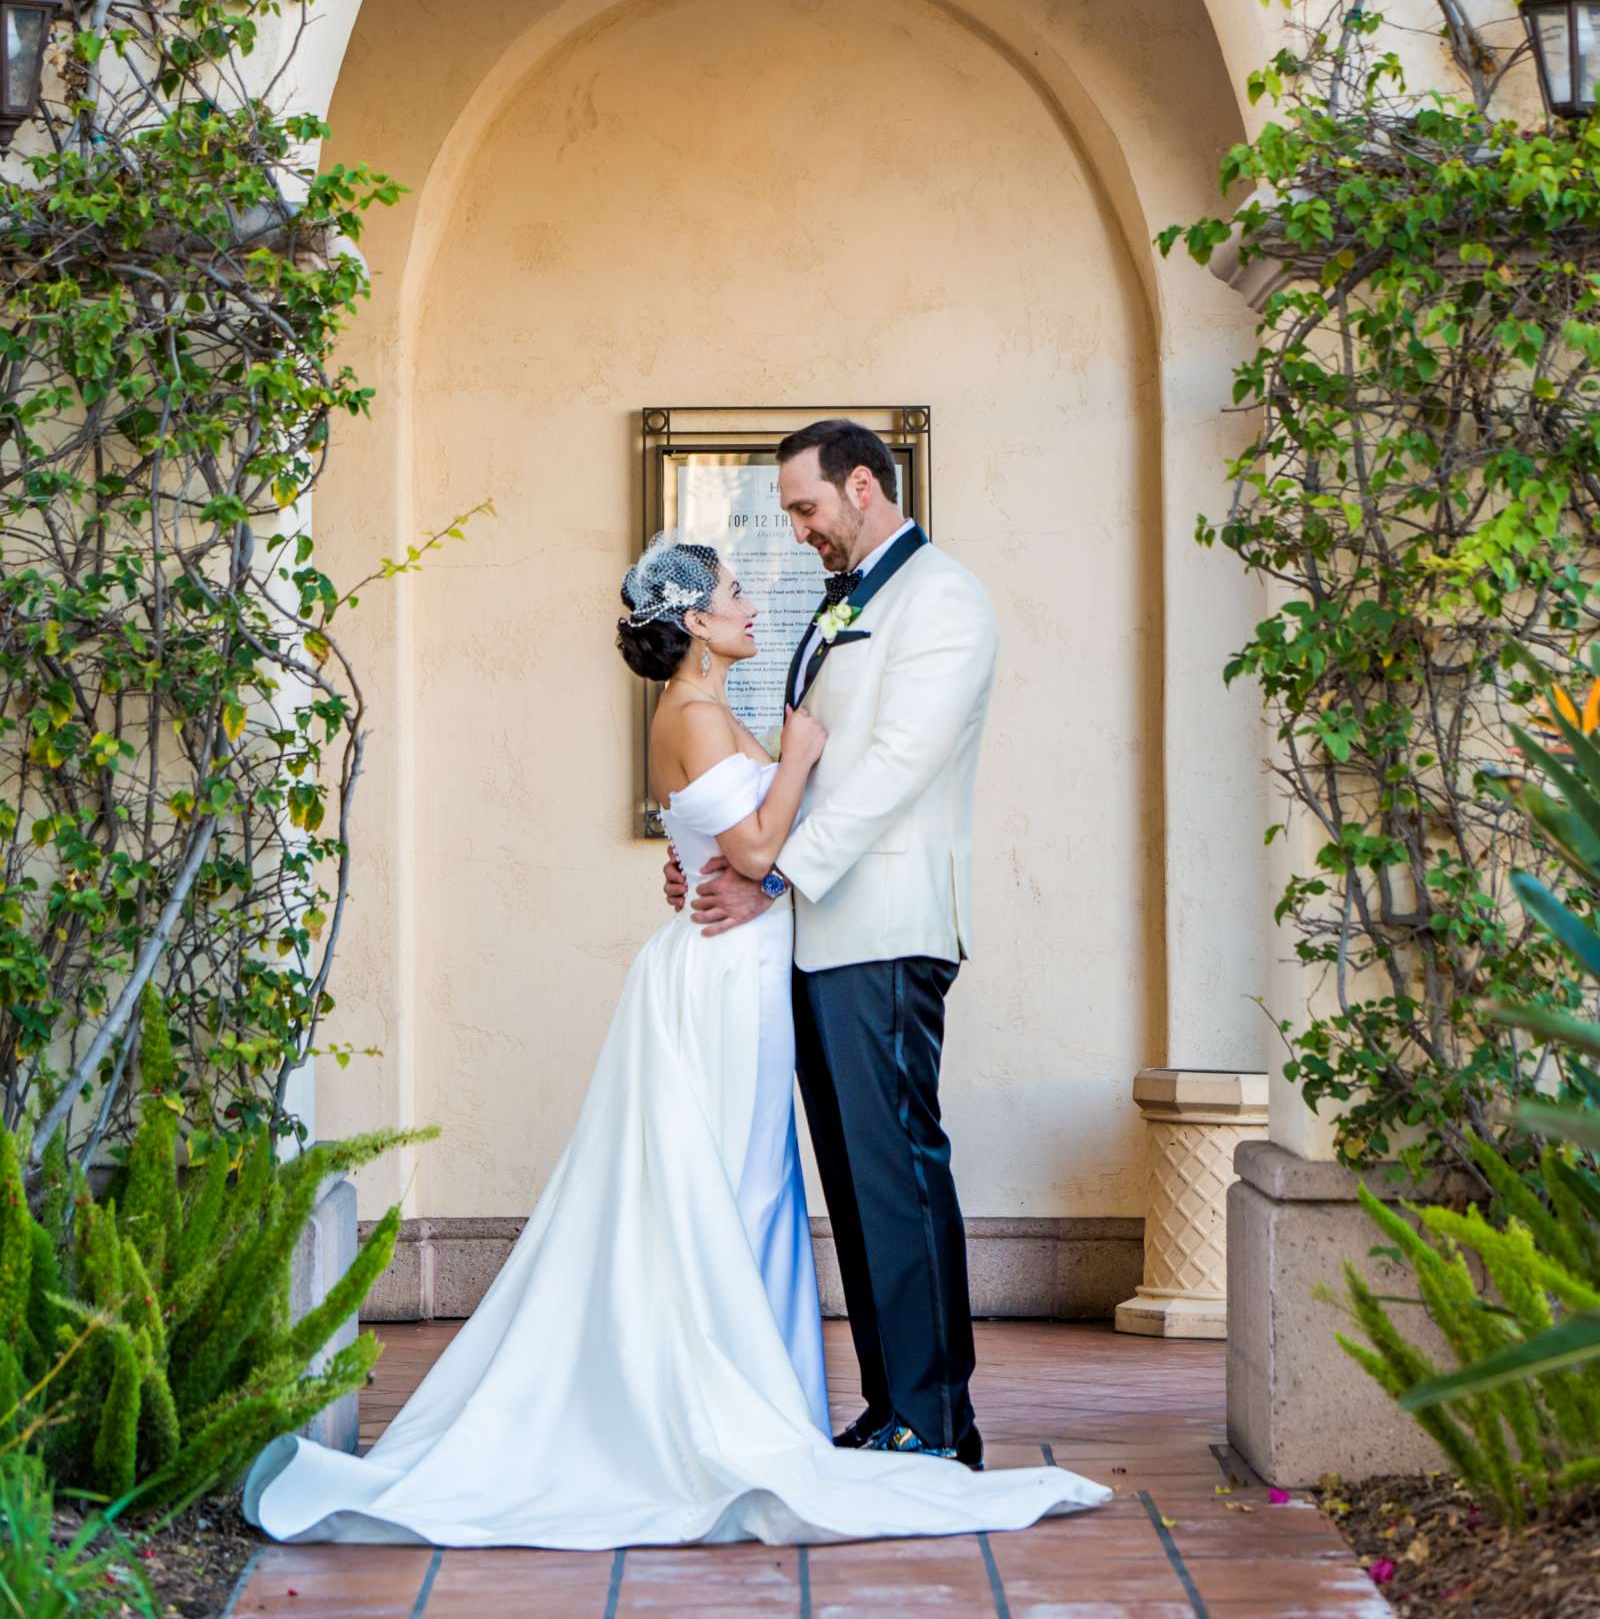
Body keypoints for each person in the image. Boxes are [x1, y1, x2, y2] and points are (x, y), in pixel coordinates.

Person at [241, 525, 1108, 1548]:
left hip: (741, 972)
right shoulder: (695, 712)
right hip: (718, 981)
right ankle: (708, 1414)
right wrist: (793, 761)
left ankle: (751, 1400)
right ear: (695, 622)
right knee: (723, 1187)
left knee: (748, 1186)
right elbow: (751, 846)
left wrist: (747, 812)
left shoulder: (706, 706)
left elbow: (714, 842)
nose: (750, 605)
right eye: (736, 593)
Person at [670, 417, 996, 1465]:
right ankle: (891, 1405)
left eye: (808, 508)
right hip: (817, 933)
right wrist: (721, 853)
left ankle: (939, 1421)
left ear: (863, 486)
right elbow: (798, 768)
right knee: (857, 1184)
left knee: (897, 1169)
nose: (800, 530)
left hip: (885, 928)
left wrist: (772, 874)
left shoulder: (941, 597)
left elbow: (893, 772)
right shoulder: (848, 597)